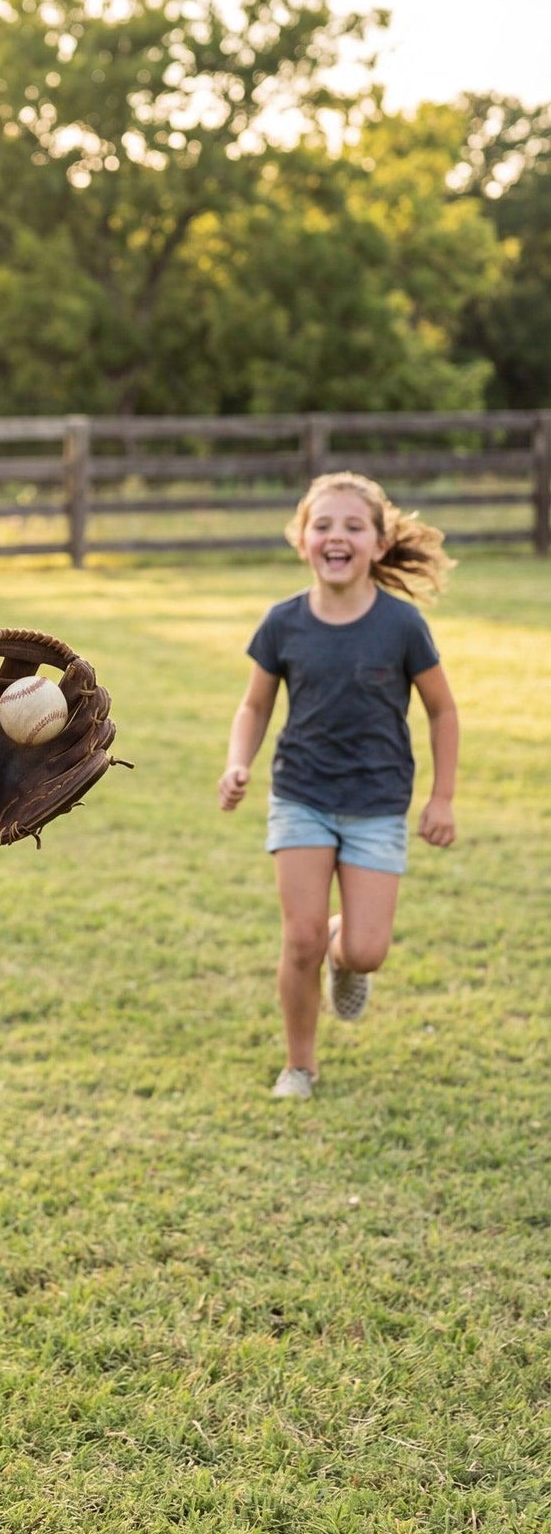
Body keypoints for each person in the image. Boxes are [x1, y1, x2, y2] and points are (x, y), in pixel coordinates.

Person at [218, 471, 459, 1100]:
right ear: (302, 539)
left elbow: (442, 710)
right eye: (323, 524)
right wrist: (237, 762)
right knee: (296, 939)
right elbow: (254, 707)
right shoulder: (282, 624)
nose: (337, 536)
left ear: (379, 545)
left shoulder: (402, 626)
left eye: (354, 526)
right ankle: (300, 1065)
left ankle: (339, 945)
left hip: (378, 805)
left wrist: (442, 797)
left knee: (367, 950)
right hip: (301, 794)